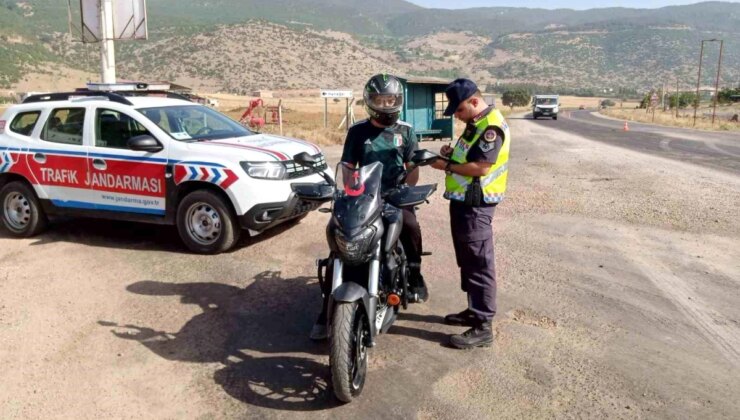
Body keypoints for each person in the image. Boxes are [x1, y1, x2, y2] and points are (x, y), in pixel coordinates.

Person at [310, 73, 428, 340]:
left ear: (399, 101)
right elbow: (349, 166)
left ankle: (415, 274)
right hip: (364, 195)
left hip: (394, 195)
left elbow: (412, 167)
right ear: (370, 101)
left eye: (391, 99)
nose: (386, 105)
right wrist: (350, 191)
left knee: (409, 224)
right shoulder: (357, 131)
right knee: (340, 244)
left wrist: (405, 193)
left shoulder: (406, 131)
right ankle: (325, 309)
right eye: (380, 99)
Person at [429, 78, 511, 349]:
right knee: (467, 259)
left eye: (459, 109)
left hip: (477, 206)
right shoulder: (475, 124)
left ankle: (483, 325)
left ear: (474, 101)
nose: (456, 115)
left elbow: (481, 167)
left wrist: (447, 167)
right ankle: (473, 311)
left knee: (479, 262)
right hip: (464, 202)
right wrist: (451, 154)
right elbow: (468, 157)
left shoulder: (491, 127)